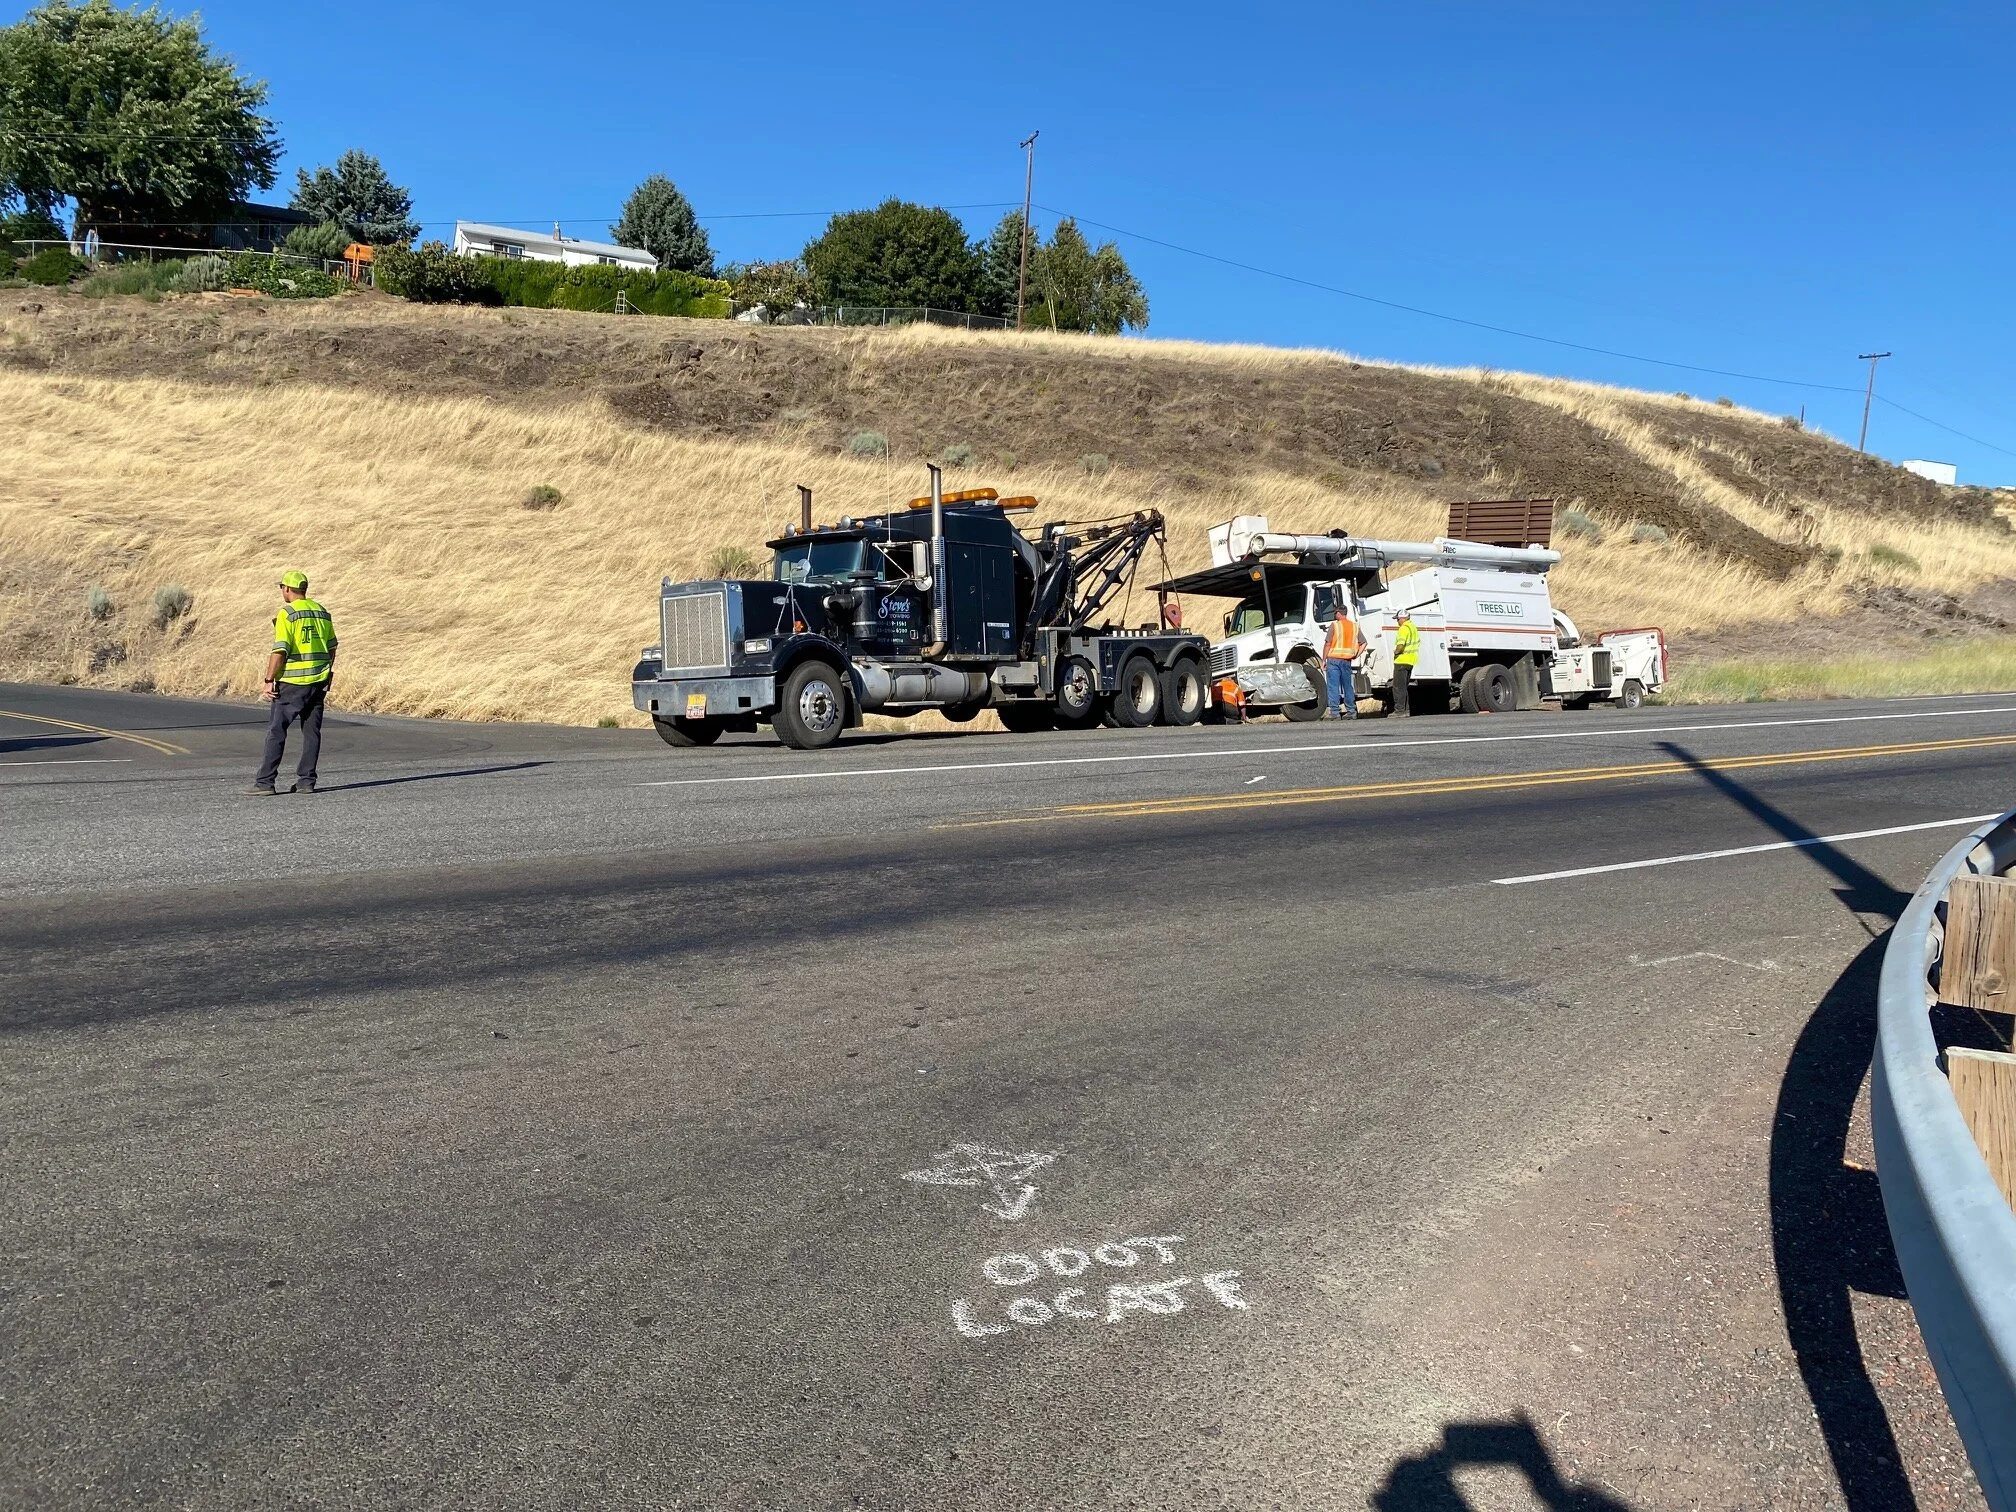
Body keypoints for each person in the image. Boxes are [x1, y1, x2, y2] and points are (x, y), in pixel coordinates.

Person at [249, 570, 337, 796]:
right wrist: (327, 673)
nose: (281, 591)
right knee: (312, 733)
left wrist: (269, 679)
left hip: (292, 683)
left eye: (282, 587)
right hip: (317, 682)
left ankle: (265, 783)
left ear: (287, 589)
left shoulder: (287, 614)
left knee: (277, 731)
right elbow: (332, 647)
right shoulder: (322, 612)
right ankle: (307, 781)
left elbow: (279, 651)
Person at [1323, 602, 1360, 719]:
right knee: (1347, 686)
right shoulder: (1355, 626)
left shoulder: (1334, 625)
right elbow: (1363, 643)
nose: (1335, 615)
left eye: (1335, 613)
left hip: (1333, 659)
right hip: (1347, 660)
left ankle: (1335, 713)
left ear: (1339, 613)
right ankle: (1351, 712)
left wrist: (1323, 659)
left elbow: (1328, 643)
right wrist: (1355, 654)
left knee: (1333, 686)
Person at [1390, 607, 1419, 718]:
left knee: (1398, 687)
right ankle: (1406, 710)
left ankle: (1400, 711)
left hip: (1402, 660)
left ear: (1402, 618)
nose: (1397, 622)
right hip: (1410, 661)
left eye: (1397, 619)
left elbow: (1401, 645)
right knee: (1404, 687)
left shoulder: (1403, 628)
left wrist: (1396, 652)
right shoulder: (1413, 627)